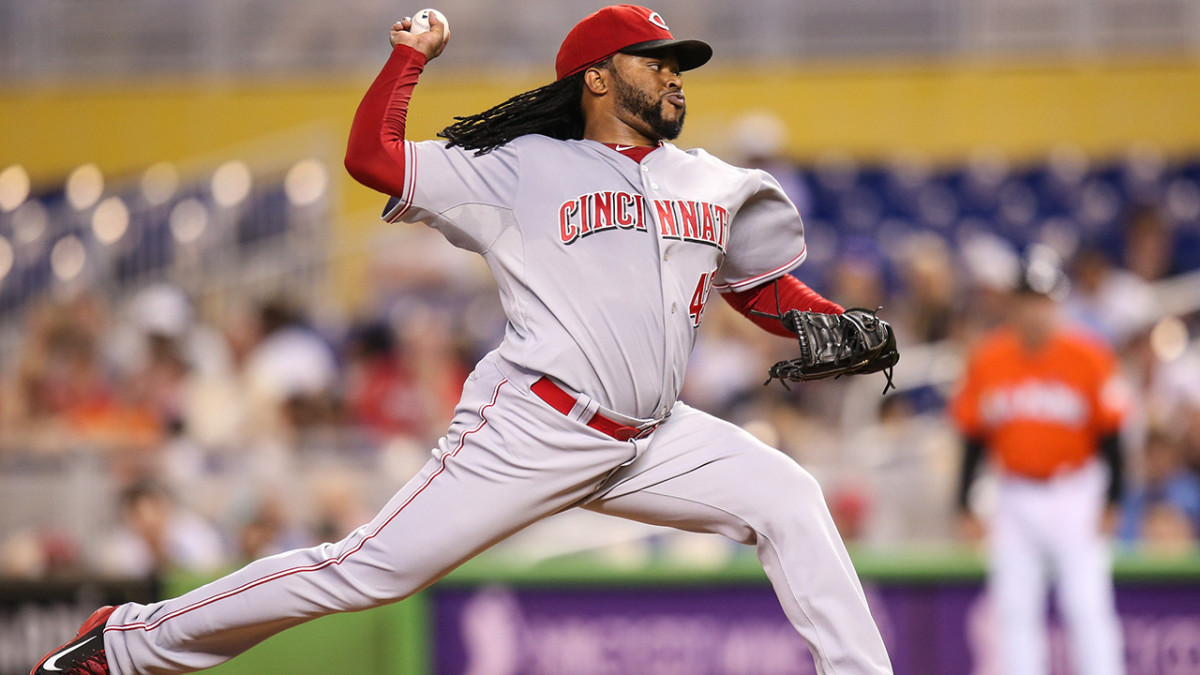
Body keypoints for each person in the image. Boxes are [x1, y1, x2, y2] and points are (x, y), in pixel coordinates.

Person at [31, 6, 893, 674]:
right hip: (535, 425)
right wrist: (410, 59)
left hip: (655, 434)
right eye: (656, 61)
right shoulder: (522, 167)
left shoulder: (708, 179)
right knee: (365, 570)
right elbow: (374, 158)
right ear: (597, 78)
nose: (674, 76)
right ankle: (127, 642)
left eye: (679, 65)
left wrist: (823, 318)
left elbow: (757, 284)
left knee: (789, 497)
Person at [952, 246, 1127, 675]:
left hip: (1075, 492)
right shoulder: (989, 358)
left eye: (1045, 301)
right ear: (1013, 305)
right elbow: (973, 436)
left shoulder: (1088, 355)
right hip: (1013, 495)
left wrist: (1113, 499)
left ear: (1058, 304)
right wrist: (963, 504)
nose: (1036, 311)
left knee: (1086, 603)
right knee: (1013, 609)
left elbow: (1112, 436)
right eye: (1028, 301)